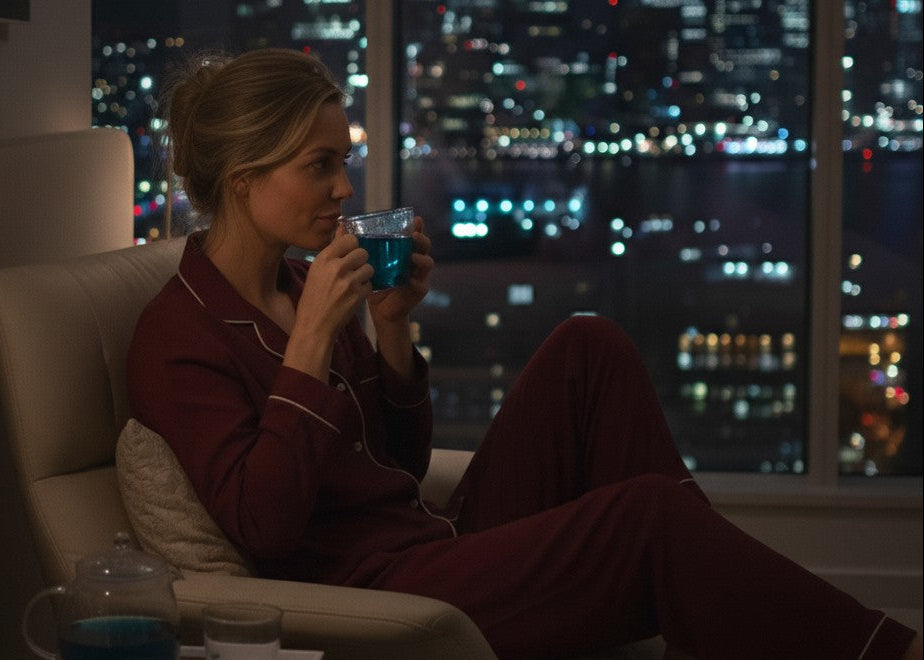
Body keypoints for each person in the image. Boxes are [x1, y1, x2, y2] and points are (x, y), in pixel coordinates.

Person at [127, 47, 921, 660]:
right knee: (648, 513)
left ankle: (699, 614)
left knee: (589, 347)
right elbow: (263, 528)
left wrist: (393, 328)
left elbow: (396, 464)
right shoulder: (179, 336)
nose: (344, 187)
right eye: (320, 165)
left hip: (428, 541)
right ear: (241, 180)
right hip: (364, 593)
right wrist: (308, 349)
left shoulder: (303, 283)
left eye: (343, 161)